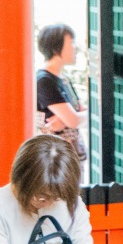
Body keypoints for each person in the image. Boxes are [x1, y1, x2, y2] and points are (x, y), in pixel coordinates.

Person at [35, 23, 88, 162]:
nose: (75, 48)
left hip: (71, 153)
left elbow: (78, 113)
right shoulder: (44, 81)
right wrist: (73, 119)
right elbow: (74, 120)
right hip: (54, 158)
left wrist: (69, 119)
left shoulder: (63, 78)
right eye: (71, 43)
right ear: (56, 48)